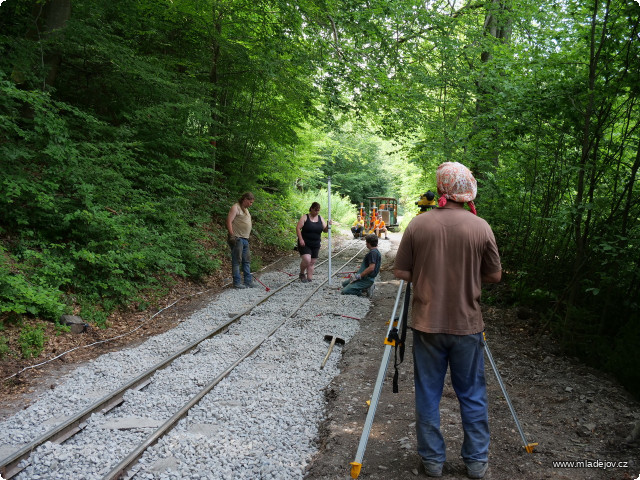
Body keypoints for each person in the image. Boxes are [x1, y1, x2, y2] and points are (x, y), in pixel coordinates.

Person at [393, 162, 502, 479]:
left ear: (441, 189)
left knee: (428, 392)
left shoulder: (419, 224)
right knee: (472, 393)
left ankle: (432, 461)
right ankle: (477, 462)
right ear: (467, 191)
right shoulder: (480, 226)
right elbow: (494, 275)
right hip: (467, 324)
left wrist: (427, 273)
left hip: (427, 323)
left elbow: (401, 272)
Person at [226, 192, 256, 289]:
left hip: (245, 239)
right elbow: (229, 221)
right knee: (237, 261)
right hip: (237, 239)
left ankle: (248, 281)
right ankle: (237, 282)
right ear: (245, 199)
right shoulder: (236, 207)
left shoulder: (246, 210)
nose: (251, 204)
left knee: (246, 261)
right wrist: (232, 235)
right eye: (250, 202)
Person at [296, 202, 329, 283]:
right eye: (315, 210)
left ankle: (309, 278)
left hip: (316, 243)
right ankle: (302, 273)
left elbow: (325, 230)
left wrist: (328, 225)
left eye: (318, 211)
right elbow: (298, 228)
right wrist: (300, 239)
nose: (316, 212)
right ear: (311, 209)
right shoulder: (305, 217)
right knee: (307, 260)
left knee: (312, 262)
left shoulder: (320, 218)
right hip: (305, 243)